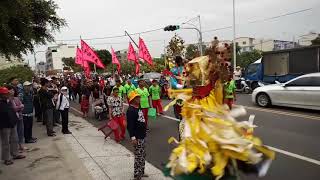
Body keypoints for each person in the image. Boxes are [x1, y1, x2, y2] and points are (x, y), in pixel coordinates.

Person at [0, 87, 26, 165]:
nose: (8, 94)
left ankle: (15, 154)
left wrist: (14, 120)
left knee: (14, 139)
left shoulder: (9, 101)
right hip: (4, 125)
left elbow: (12, 111)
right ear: (1, 95)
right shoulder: (1, 103)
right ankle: (6, 158)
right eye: (6, 93)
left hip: (12, 123)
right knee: (6, 142)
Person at [126, 91, 148, 180]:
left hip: (142, 135)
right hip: (137, 137)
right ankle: (136, 174)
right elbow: (130, 126)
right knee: (138, 156)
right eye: (137, 98)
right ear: (132, 100)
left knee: (143, 155)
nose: (139, 99)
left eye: (139, 97)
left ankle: (142, 172)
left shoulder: (138, 107)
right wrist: (133, 137)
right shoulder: (131, 110)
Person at [6, 85, 27, 152]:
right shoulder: (8, 100)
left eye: (13, 90)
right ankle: (16, 148)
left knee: (21, 132)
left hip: (20, 117)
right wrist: (19, 107)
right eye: (10, 90)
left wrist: (19, 107)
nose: (12, 91)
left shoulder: (16, 98)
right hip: (13, 119)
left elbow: (22, 106)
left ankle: (21, 145)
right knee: (14, 134)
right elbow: (14, 109)